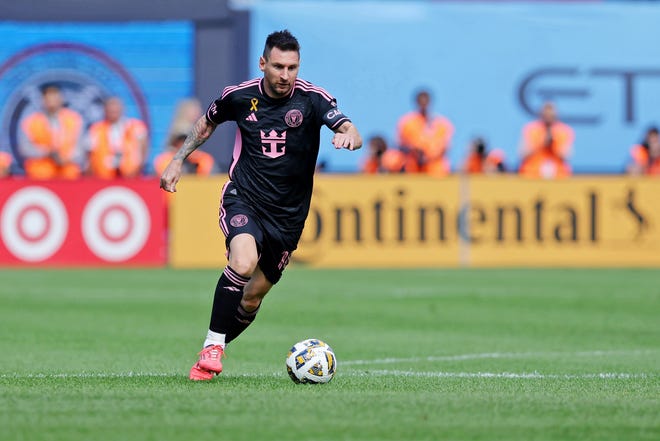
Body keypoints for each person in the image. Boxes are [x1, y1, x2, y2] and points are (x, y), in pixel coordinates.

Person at [159, 30, 362, 381]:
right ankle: (212, 349)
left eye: (293, 67)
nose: (286, 75)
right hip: (245, 197)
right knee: (243, 260)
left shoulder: (313, 99)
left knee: (252, 299)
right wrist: (177, 160)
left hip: (288, 218)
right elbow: (207, 124)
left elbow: (349, 127)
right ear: (263, 63)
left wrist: (348, 137)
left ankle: (215, 344)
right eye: (279, 66)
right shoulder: (239, 97)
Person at [19, 84, 84, 179]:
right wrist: (47, 152)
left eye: (54, 98)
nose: (51, 102)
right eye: (48, 99)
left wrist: (66, 158)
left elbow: (80, 147)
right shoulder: (31, 121)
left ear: (61, 99)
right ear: (43, 101)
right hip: (40, 175)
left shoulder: (74, 119)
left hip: (68, 174)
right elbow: (25, 148)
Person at [86, 97, 148, 179]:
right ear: (105, 110)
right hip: (104, 176)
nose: (113, 113)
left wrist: (138, 168)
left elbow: (143, 147)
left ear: (122, 110)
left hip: (130, 175)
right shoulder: (96, 129)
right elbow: (90, 154)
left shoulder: (135, 126)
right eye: (111, 111)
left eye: (115, 110)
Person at [396, 89, 453, 176]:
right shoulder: (407, 123)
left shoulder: (441, 124)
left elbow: (445, 147)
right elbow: (400, 144)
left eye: (425, 101)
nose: (423, 104)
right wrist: (414, 151)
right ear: (416, 102)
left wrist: (429, 157)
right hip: (413, 167)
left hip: (436, 170)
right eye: (421, 101)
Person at [518, 101, 574, 179]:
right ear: (541, 114)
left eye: (551, 115)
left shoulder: (564, 131)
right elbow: (522, 154)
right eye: (546, 114)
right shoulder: (531, 129)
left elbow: (566, 156)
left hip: (558, 175)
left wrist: (553, 144)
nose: (548, 117)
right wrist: (541, 142)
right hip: (532, 174)